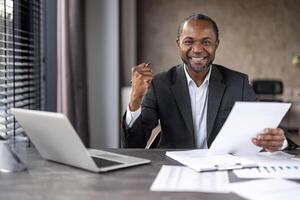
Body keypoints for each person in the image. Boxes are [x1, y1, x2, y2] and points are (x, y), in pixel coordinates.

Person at [122, 14, 287, 151]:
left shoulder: (238, 83)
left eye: (206, 42)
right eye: (189, 41)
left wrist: (280, 141)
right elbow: (133, 145)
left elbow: (269, 128)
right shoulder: (161, 84)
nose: (198, 49)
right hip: (173, 168)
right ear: (178, 44)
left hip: (222, 169)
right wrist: (135, 99)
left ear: (216, 44)